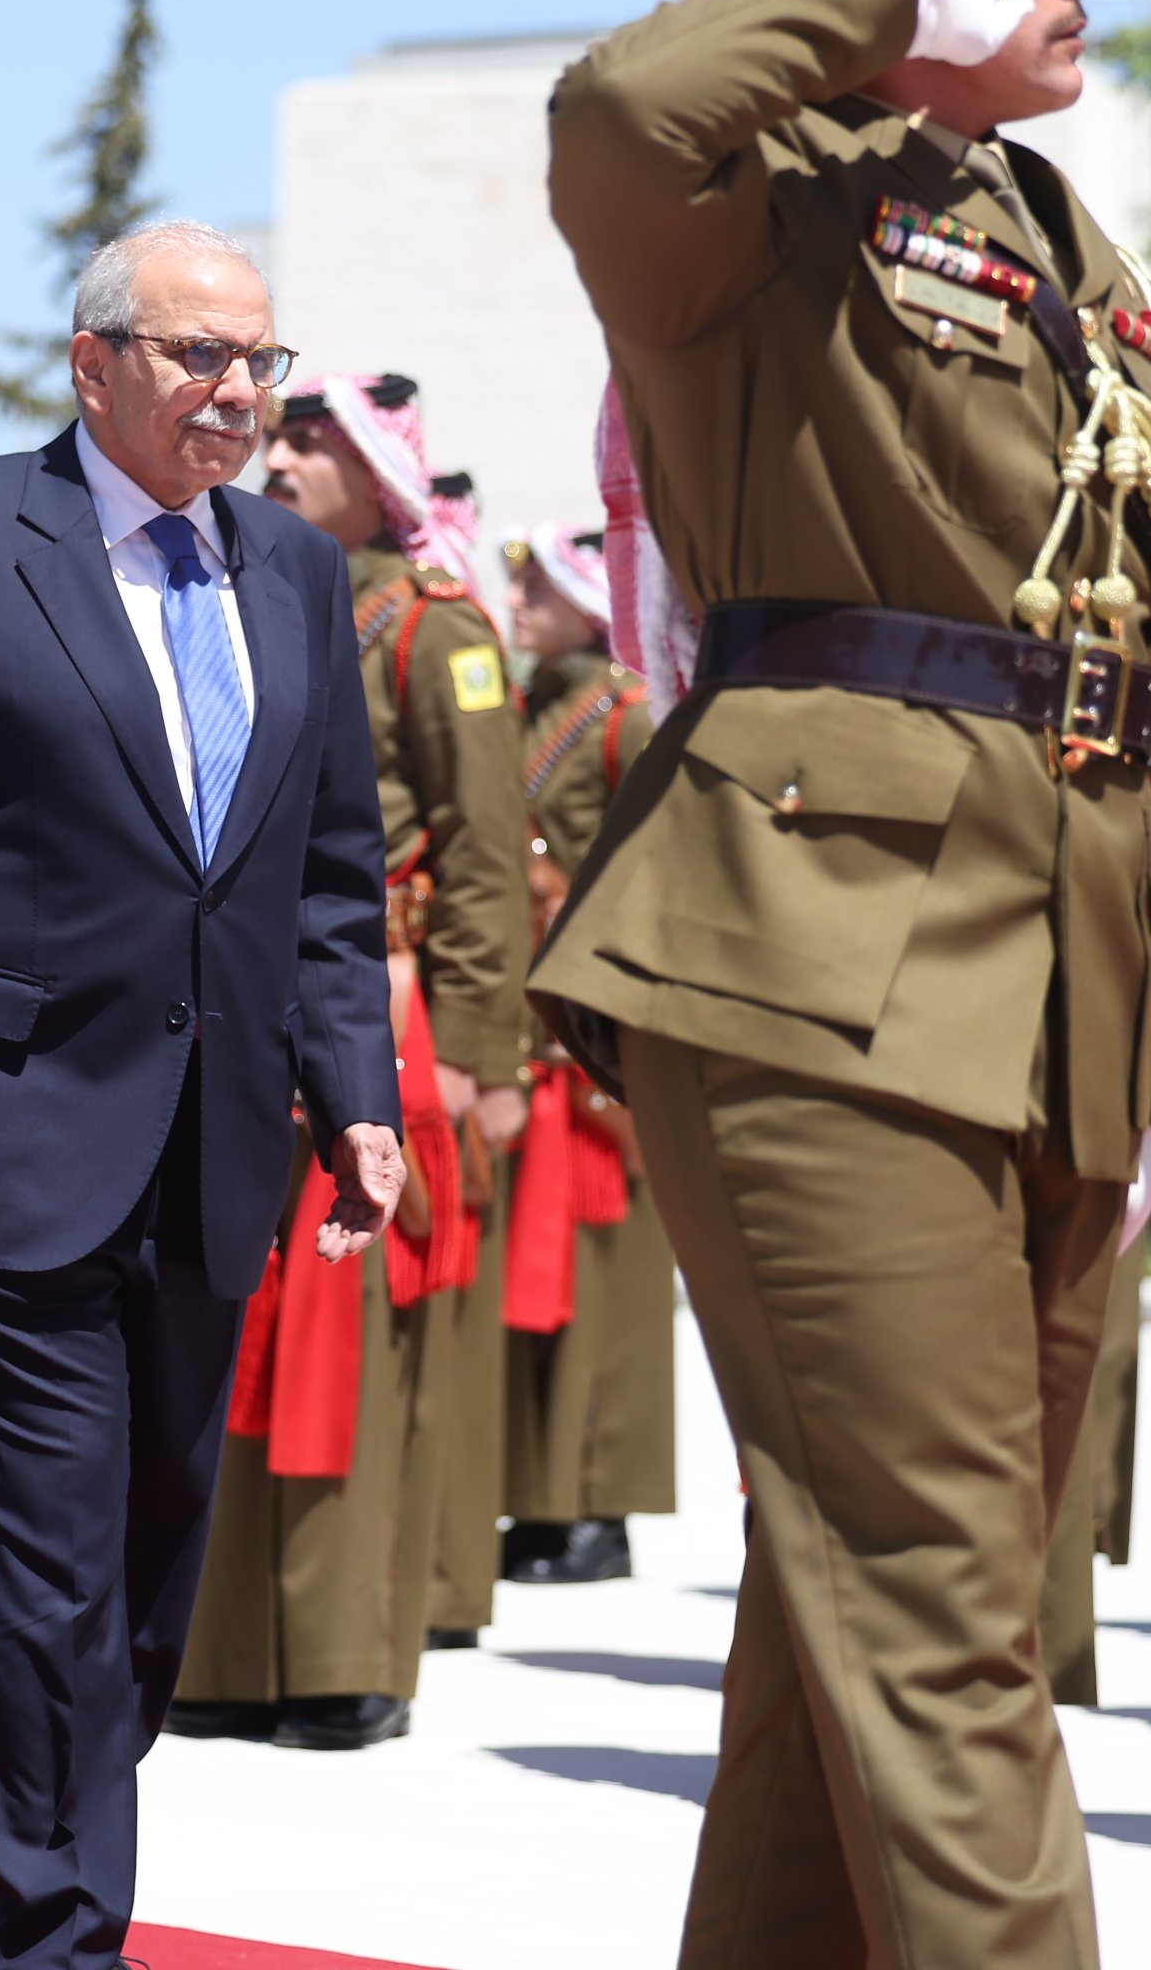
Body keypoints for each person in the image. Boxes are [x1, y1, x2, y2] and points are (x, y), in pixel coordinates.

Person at [539, 0, 1151, 1968]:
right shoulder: (750, 190)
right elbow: (614, 111)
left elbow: (1124, 643)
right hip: (810, 950)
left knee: (879, 1604)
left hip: (1046, 978)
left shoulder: (1045, 226)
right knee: (940, 1618)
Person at [0, 218, 406, 1970]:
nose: (238, 391)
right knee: (48, 1561)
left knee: (143, 1571)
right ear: (94, 363)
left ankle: (61, 1850)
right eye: (201, 355)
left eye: (261, 361)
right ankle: (57, 1930)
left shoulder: (297, 572)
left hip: (216, 1151)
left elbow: (328, 877)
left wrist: (355, 1094)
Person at [172, 374, 524, 1745]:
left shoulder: (436, 631)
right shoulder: (234, 582)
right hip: (230, 1001)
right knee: (222, 1315)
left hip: (379, 1011)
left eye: (316, 443)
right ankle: (217, 1656)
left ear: (380, 473)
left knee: (346, 1339)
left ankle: (339, 1657)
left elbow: (484, 859)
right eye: (287, 438)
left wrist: (476, 1054)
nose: (286, 458)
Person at [496, 522, 676, 1589]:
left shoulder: (625, 716)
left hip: (595, 1038)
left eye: (539, 587)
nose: (517, 599)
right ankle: (541, 1496)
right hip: (530, 1024)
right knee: (533, 1281)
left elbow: (657, 867)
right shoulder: (530, 707)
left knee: (606, 1281)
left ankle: (600, 1506)